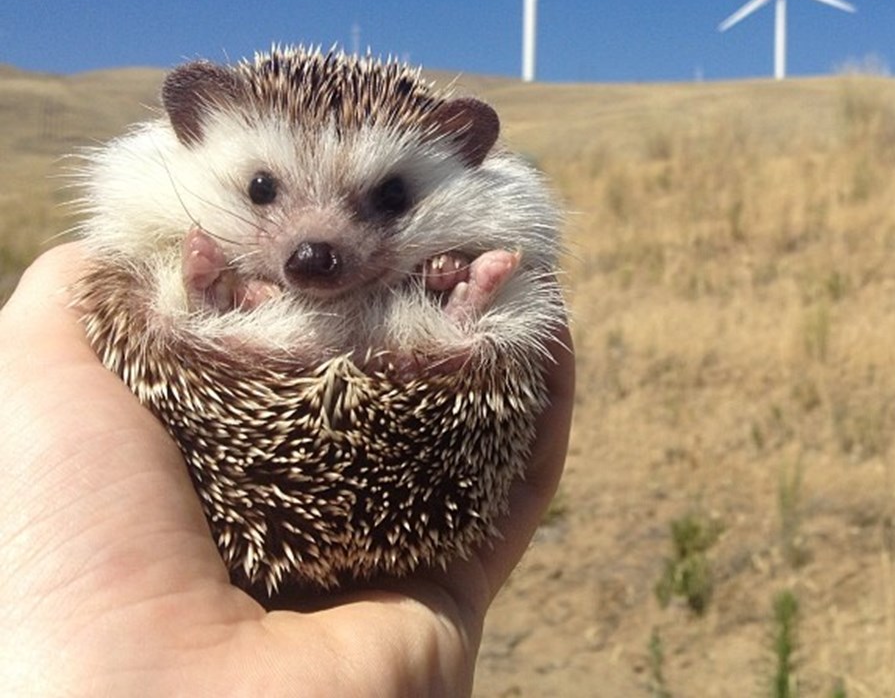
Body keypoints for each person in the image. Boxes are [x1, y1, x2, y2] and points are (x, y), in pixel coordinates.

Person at [0, 244, 574, 696]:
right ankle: (453, 318)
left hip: (246, 352)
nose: (316, 252)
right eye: (262, 190)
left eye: (390, 195)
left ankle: (221, 303)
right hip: (394, 387)